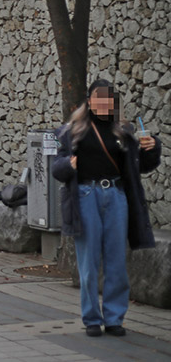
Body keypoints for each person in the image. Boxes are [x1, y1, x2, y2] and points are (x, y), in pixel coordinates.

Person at [52, 79, 162, 338]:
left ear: (114, 102)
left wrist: (152, 148)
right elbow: (56, 168)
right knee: (89, 262)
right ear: (89, 101)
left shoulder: (123, 131)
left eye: (108, 98)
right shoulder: (71, 131)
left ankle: (114, 318)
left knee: (116, 262)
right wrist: (69, 164)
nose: (103, 103)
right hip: (85, 195)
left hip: (116, 196)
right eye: (98, 98)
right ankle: (91, 318)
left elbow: (141, 167)